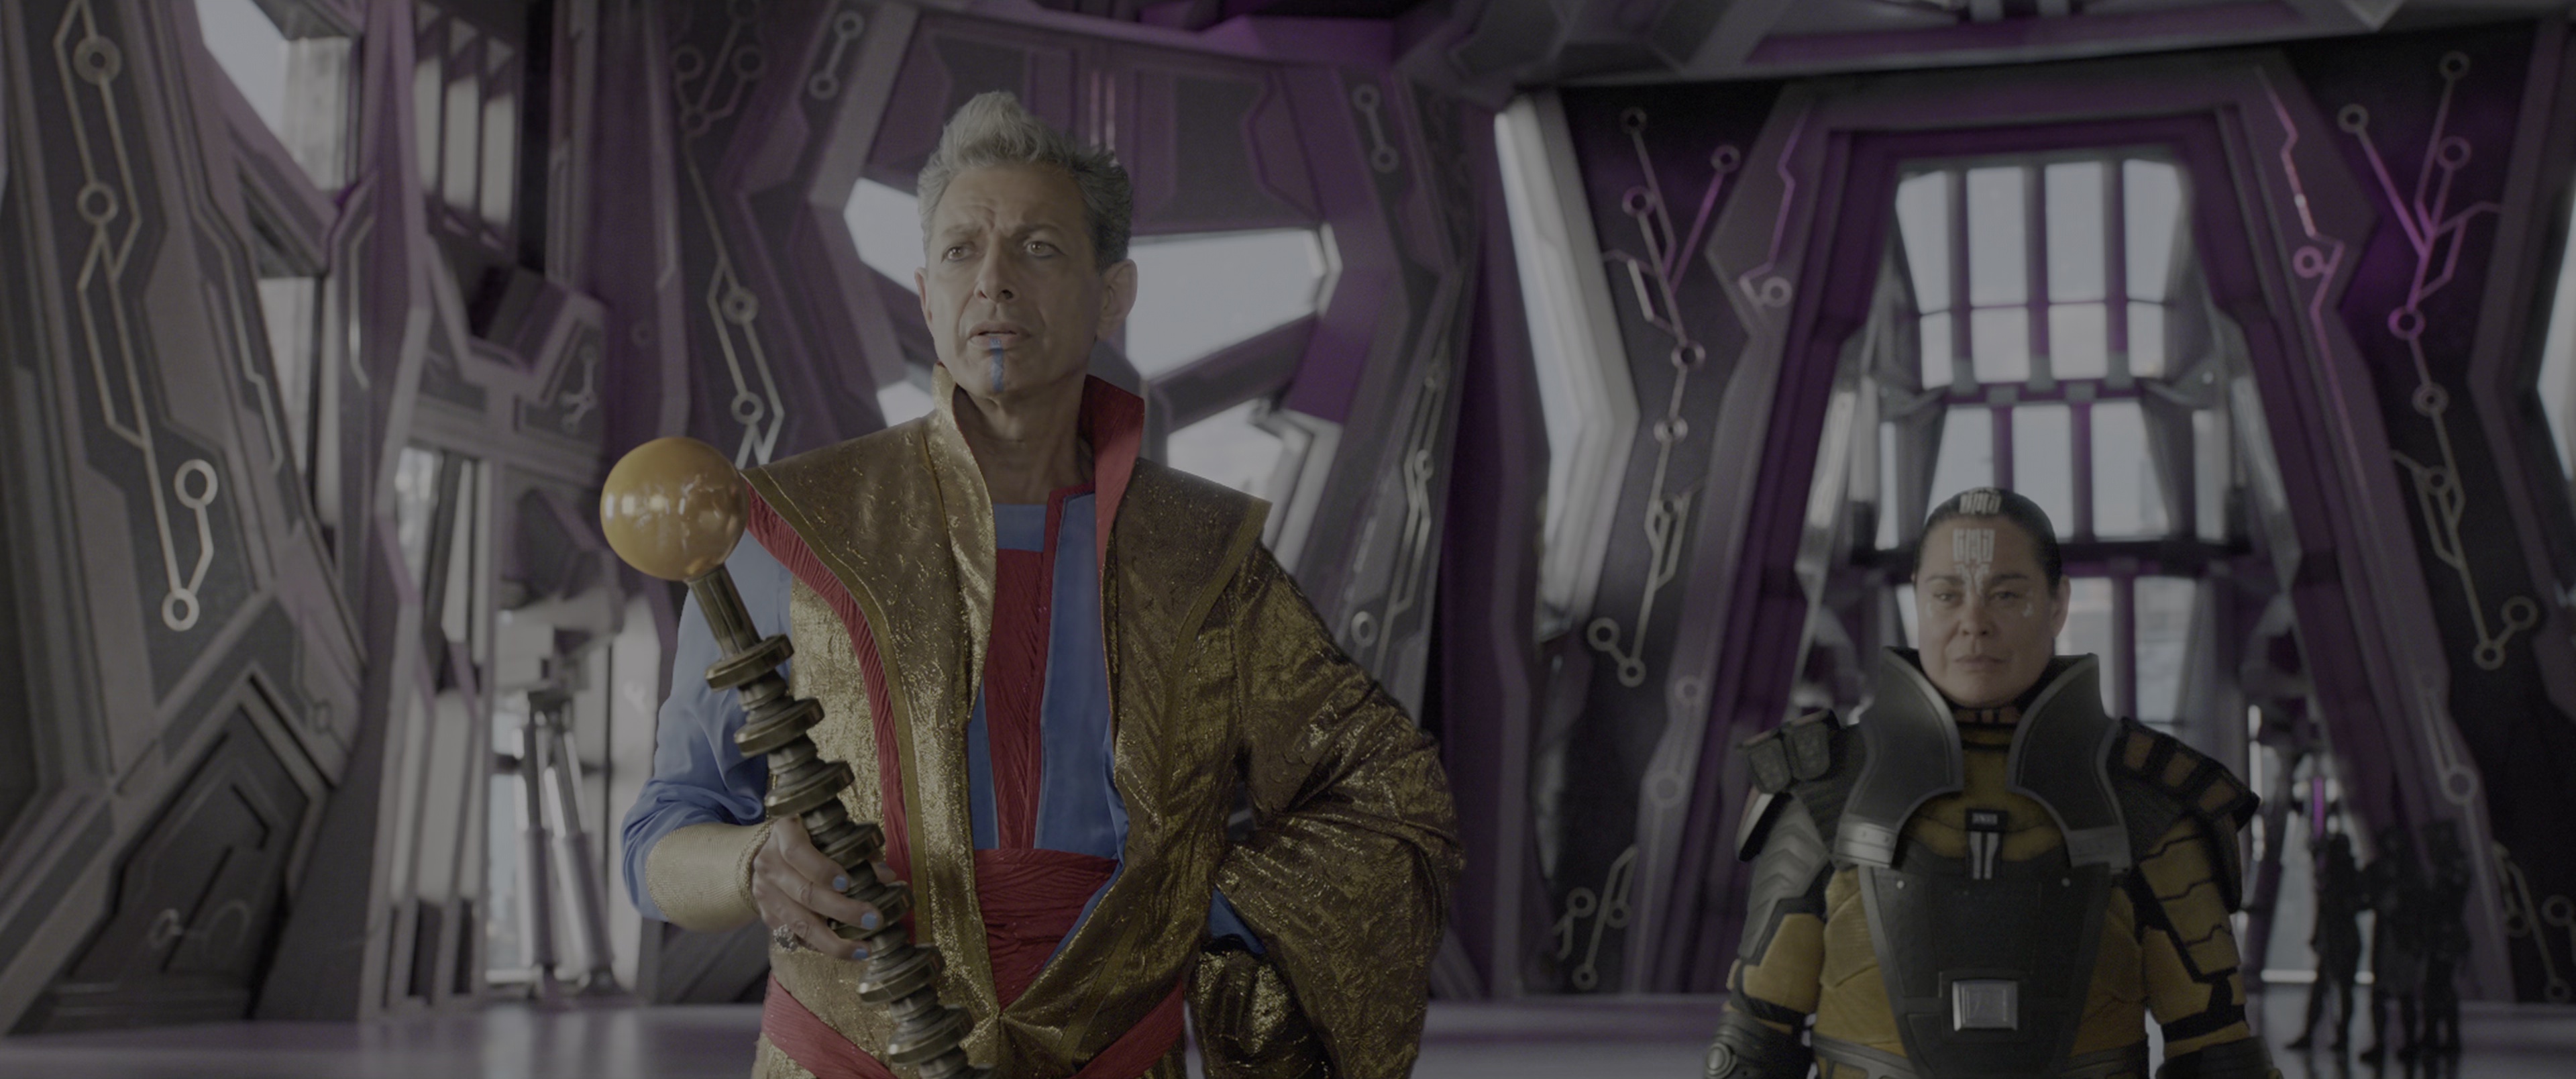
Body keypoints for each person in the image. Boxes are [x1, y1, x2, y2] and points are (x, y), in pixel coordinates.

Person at [619, 91, 1460, 1079]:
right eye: (960, 251)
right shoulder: (787, 532)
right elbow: (659, 834)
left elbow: (1383, 790)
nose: (994, 281)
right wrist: (750, 863)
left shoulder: (1204, 560)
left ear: (1113, 295)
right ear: (926, 294)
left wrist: (1204, 905)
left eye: (1040, 248)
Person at [1705, 488, 2277, 1079]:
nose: (1974, 624)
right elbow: (1754, 1042)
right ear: (1919, 600)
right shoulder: (1823, 789)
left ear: (2057, 604)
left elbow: (2214, 1048)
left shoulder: (2150, 797)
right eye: (1947, 595)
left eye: (2006, 595)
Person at [2287, 832, 2363, 1053]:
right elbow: (2325, 911)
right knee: (2326, 990)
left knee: (2339, 990)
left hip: (2343, 940)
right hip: (2336, 939)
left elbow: (2344, 907)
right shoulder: (2334, 877)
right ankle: (2323, 1035)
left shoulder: (2345, 878)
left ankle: (2338, 1037)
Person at [2358, 825, 2426, 1064]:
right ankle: (2381, 1043)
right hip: (2388, 938)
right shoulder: (2379, 871)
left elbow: (2419, 906)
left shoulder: (2410, 873)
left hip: (2403, 939)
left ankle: (2409, 1043)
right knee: (2381, 993)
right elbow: (2365, 897)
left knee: (2404, 994)